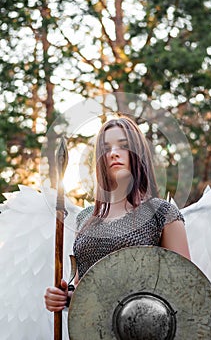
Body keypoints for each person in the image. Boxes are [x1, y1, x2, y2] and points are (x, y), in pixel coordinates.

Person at [44, 115, 190, 313]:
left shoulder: (162, 213)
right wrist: (65, 297)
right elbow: (83, 285)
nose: (114, 153)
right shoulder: (85, 219)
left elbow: (187, 289)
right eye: (106, 149)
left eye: (123, 146)